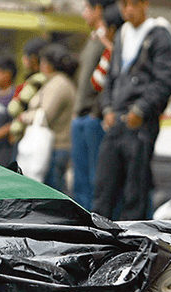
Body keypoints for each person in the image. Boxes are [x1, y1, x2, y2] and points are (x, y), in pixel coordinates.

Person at [92, 0, 171, 221]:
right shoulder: (122, 34)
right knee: (103, 189)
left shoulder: (159, 34)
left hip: (140, 124)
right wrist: (107, 108)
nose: (128, 9)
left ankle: (132, 246)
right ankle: (101, 243)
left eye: (133, 4)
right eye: (124, 4)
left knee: (135, 192)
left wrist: (141, 109)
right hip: (116, 122)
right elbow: (111, 78)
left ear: (145, 4)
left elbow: (166, 80)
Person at [70, 0, 115, 211]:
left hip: (93, 118)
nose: (84, 14)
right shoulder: (93, 39)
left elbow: (105, 82)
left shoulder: (110, 38)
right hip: (81, 116)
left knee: (96, 179)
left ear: (98, 10)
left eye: (87, 8)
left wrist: (96, 112)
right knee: (80, 181)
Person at [16, 44, 78, 191]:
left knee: (51, 192)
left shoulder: (59, 84)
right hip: (51, 147)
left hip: (55, 147)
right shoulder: (54, 82)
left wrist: (24, 117)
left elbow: (45, 114)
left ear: (49, 64)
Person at [8, 37, 49, 143]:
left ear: (34, 59)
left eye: (26, 56)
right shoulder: (44, 79)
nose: (23, 60)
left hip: (29, 137)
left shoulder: (36, 81)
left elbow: (14, 109)